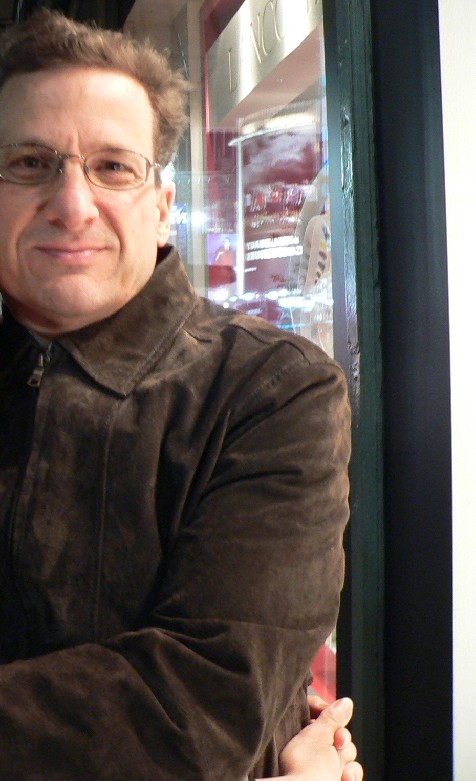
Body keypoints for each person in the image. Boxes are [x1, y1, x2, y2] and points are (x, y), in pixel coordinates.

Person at [0, 10, 354, 780]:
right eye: (29, 162)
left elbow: (202, 711)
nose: (72, 203)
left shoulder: (270, 389)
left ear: (161, 208)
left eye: (112, 167)